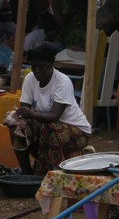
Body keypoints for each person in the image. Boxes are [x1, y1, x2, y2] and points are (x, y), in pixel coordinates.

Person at [10, 43, 92, 175]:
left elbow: (54, 116)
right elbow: (24, 109)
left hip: (77, 130)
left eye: (41, 67)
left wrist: (30, 114)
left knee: (50, 129)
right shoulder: (30, 79)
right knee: (16, 128)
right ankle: (27, 174)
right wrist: (16, 118)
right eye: (34, 66)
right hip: (47, 126)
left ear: (51, 65)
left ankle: (48, 174)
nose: (37, 70)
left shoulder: (62, 82)